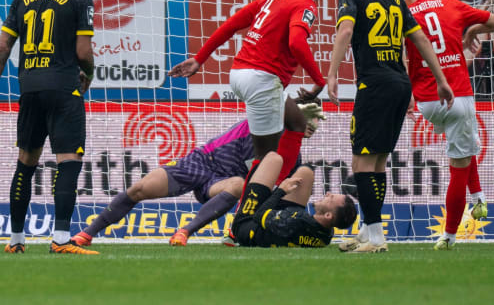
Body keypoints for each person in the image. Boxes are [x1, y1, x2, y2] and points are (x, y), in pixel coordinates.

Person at [327, 0, 454, 253]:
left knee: (362, 162)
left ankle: (376, 238)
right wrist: (441, 80)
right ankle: (369, 233)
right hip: (400, 84)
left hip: (375, 84)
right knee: (378, 162)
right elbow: (420, 39)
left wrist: (331, 74)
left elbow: (345, 32)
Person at [70, 100, 324, 247]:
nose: (311, 126)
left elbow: (264, 194)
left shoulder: (291, 157)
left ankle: (184, 232)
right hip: (201, 161)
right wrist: (297, 106)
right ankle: (87, 234)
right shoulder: (266, 123)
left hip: (221, 183)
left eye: (315, 123)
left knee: (237, 185)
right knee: (140, 189)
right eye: (308, 120)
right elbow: (273, 101)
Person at [169, 0, 330, 185]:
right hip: (261, 79)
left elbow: (232, 23)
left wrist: (200, 59)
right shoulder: (306, 4)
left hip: (241, 72)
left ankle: (273, 195)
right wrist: (319, 81)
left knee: (296, 123)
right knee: (267, 159)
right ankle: (256, 207)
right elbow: (296, 42)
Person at [0, 0, 97, 254]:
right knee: (68, 162)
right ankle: (60, 239)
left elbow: (3, 47)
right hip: (63, 88)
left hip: (29, 88)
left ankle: (15, 240)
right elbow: (84, 52)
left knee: (26, 162)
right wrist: (90, 74)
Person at [403, 0, 494, 250]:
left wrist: (407, 94)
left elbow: (401, 54)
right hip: (456, 95)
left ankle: (479, 199)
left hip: (425, 100)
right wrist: (472, 28)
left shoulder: (405, 14)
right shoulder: (453, 6)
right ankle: (449, 236)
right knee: (459, 163)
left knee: (464, 143)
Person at [231, 152, 358, 249]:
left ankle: (231, 234)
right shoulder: (326, 235)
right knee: (306, 173)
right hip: (277, 223)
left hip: (247, 225)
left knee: (273, 159)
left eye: (331, 198)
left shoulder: (293, 222)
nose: (328, 193)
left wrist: (281, 190)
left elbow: (259, 215)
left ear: (328, 215)